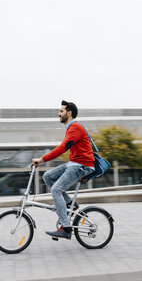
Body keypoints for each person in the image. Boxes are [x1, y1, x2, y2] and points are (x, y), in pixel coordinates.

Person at [32, 100, 95, 239]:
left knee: (56, 190)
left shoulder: (76, 128)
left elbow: (62, 148)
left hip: (82, 166)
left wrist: (42, 159)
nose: (58, 113)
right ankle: (71, 205)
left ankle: (66, 229)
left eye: (61, 111)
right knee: (47, 177)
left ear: (69, 113)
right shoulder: (70, 128)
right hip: (74, 163)